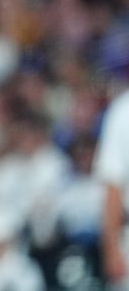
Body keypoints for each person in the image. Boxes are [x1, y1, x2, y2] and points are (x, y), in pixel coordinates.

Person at [94, 32, 129, 291]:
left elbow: (112, 186)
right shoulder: (122, 111)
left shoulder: (122, 110)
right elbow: (113, 186)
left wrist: (111, 249)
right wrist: (112, 249)